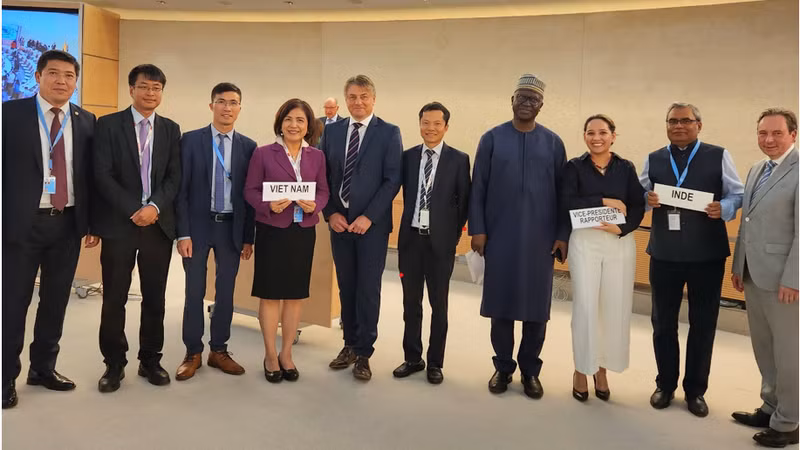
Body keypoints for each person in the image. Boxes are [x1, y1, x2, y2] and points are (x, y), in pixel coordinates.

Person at [2, 50, 98, 409]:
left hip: (67, 224)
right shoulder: (9, 114)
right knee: (13, 304)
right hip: (19, 226)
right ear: (38, 77)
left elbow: (90, 176)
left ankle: (43, 368)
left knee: (56, 302)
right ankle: (5, 376)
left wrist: (90, 223)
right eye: (54, 73)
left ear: (76, 81)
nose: (62, 81)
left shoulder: (86, 119)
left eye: (69, 75)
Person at [639, 102, 744, 417]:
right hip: (665, 255)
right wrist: (647, 199)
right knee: (662, 324)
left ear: (699, 124)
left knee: (703, 325)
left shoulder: (718, 155)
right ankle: (665, 385)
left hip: (707, 257)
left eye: (686, 120)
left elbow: (737, 194)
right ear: (667, 125)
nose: (679, 125)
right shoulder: (654, 158)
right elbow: (639, 196)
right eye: (672, 121)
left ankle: (695, 391)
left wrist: (723, 209)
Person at [469, 74, 569, 399]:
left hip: (540, 242)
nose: (527, 104)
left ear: (541, 105)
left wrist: (561, 234)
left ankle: (530, 371)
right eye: (521, 98)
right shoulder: (492, 139)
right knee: (501, 307)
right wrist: (479, 230)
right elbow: (478, 188)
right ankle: (502, 367)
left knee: (536, 309)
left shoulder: (554, 143)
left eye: (533, 99)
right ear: (511, 100)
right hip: (499, 237)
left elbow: (563, 193)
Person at [93, 64, 182, 392]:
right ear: (131, 89)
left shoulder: (171, 129)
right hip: (120, 224)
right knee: (114, 297)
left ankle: (150, 360)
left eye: (157, 88)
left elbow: (174, 176)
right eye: (144, 87)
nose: (150, 93)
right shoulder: (108, 125)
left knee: (155, 297)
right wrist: (135, 209)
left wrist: (154, 207)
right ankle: (114, 364)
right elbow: (101, 174)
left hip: (157, 226)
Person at [320, 75, 403, 381]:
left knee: (368, 289)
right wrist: (330, 213)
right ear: (345, 100)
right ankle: (349, 344)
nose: (358, 102)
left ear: (373, 99)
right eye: (352, 97)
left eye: (364, 96)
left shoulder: (389, 132)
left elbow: (392, 179)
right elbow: (323, 176)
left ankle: (365, 352)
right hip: (340, 225)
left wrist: (369, 216)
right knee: (347, 286)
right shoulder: (333, 132)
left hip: (371, 226)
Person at [174, 83, 257, 381]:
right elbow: (180, 192)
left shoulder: (249, 146)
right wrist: (182, 233)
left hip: (231, 228)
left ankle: (218, 349)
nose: (227, 107)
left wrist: (249, 236)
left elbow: (250, 196)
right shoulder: (191, 141)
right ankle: (192, 351)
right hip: (197, 228)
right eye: (221, 102)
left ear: (239, 108)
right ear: (211, 106)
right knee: (193, 291)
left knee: (226, 293)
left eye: (233, 102)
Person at [244, 98, 329, 383]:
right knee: (270, 295)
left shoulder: (317, 156)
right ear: (280, 123)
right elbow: (251, 190)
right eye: (289, 119)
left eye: (300, 120)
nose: (294, 125)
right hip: (271, 230)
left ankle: (286, 354)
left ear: (309, 126)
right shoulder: (263, 153)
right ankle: (270, 354)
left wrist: (314, 205)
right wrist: (269, 206)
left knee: (294, 296)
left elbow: (323, 192)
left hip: (302, 231)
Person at [561, 114, 644, 402]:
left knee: (614, 306)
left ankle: (602, 368)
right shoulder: (573, 166)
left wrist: (622, 228)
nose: (596, 137)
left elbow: (637, 203)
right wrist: (603, 201)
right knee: (585, 306)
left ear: (613, 135)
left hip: (618, 242)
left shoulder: (625, 167)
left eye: (603, 132)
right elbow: (567, 201)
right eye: (590, 132)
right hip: (585, 241)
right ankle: (581, 369)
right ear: (584, 135)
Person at [731, 108, 798, 448]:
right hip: (754, 275)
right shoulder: (758, 168)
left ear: (793, 135)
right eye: (762, 133)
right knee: (764, 348)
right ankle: (770, 407)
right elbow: (748, 221)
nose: (768, 139)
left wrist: (794, 278)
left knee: (789, 354)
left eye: (776, 133)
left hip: (785, 283)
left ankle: (788, 422)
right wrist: (737, 266)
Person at [393, 102, 470, 385]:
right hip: (411, 241)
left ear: (446, 127)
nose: (431, 128)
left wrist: (452, 236)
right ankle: (413, 358)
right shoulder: (408, 157)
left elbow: (464, 202)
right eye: (426, 123)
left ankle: (435, 362)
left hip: (440, 244)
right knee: (410, 303)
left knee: (440, 305)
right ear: (419, 124)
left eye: (437, 124)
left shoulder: (459, 160)